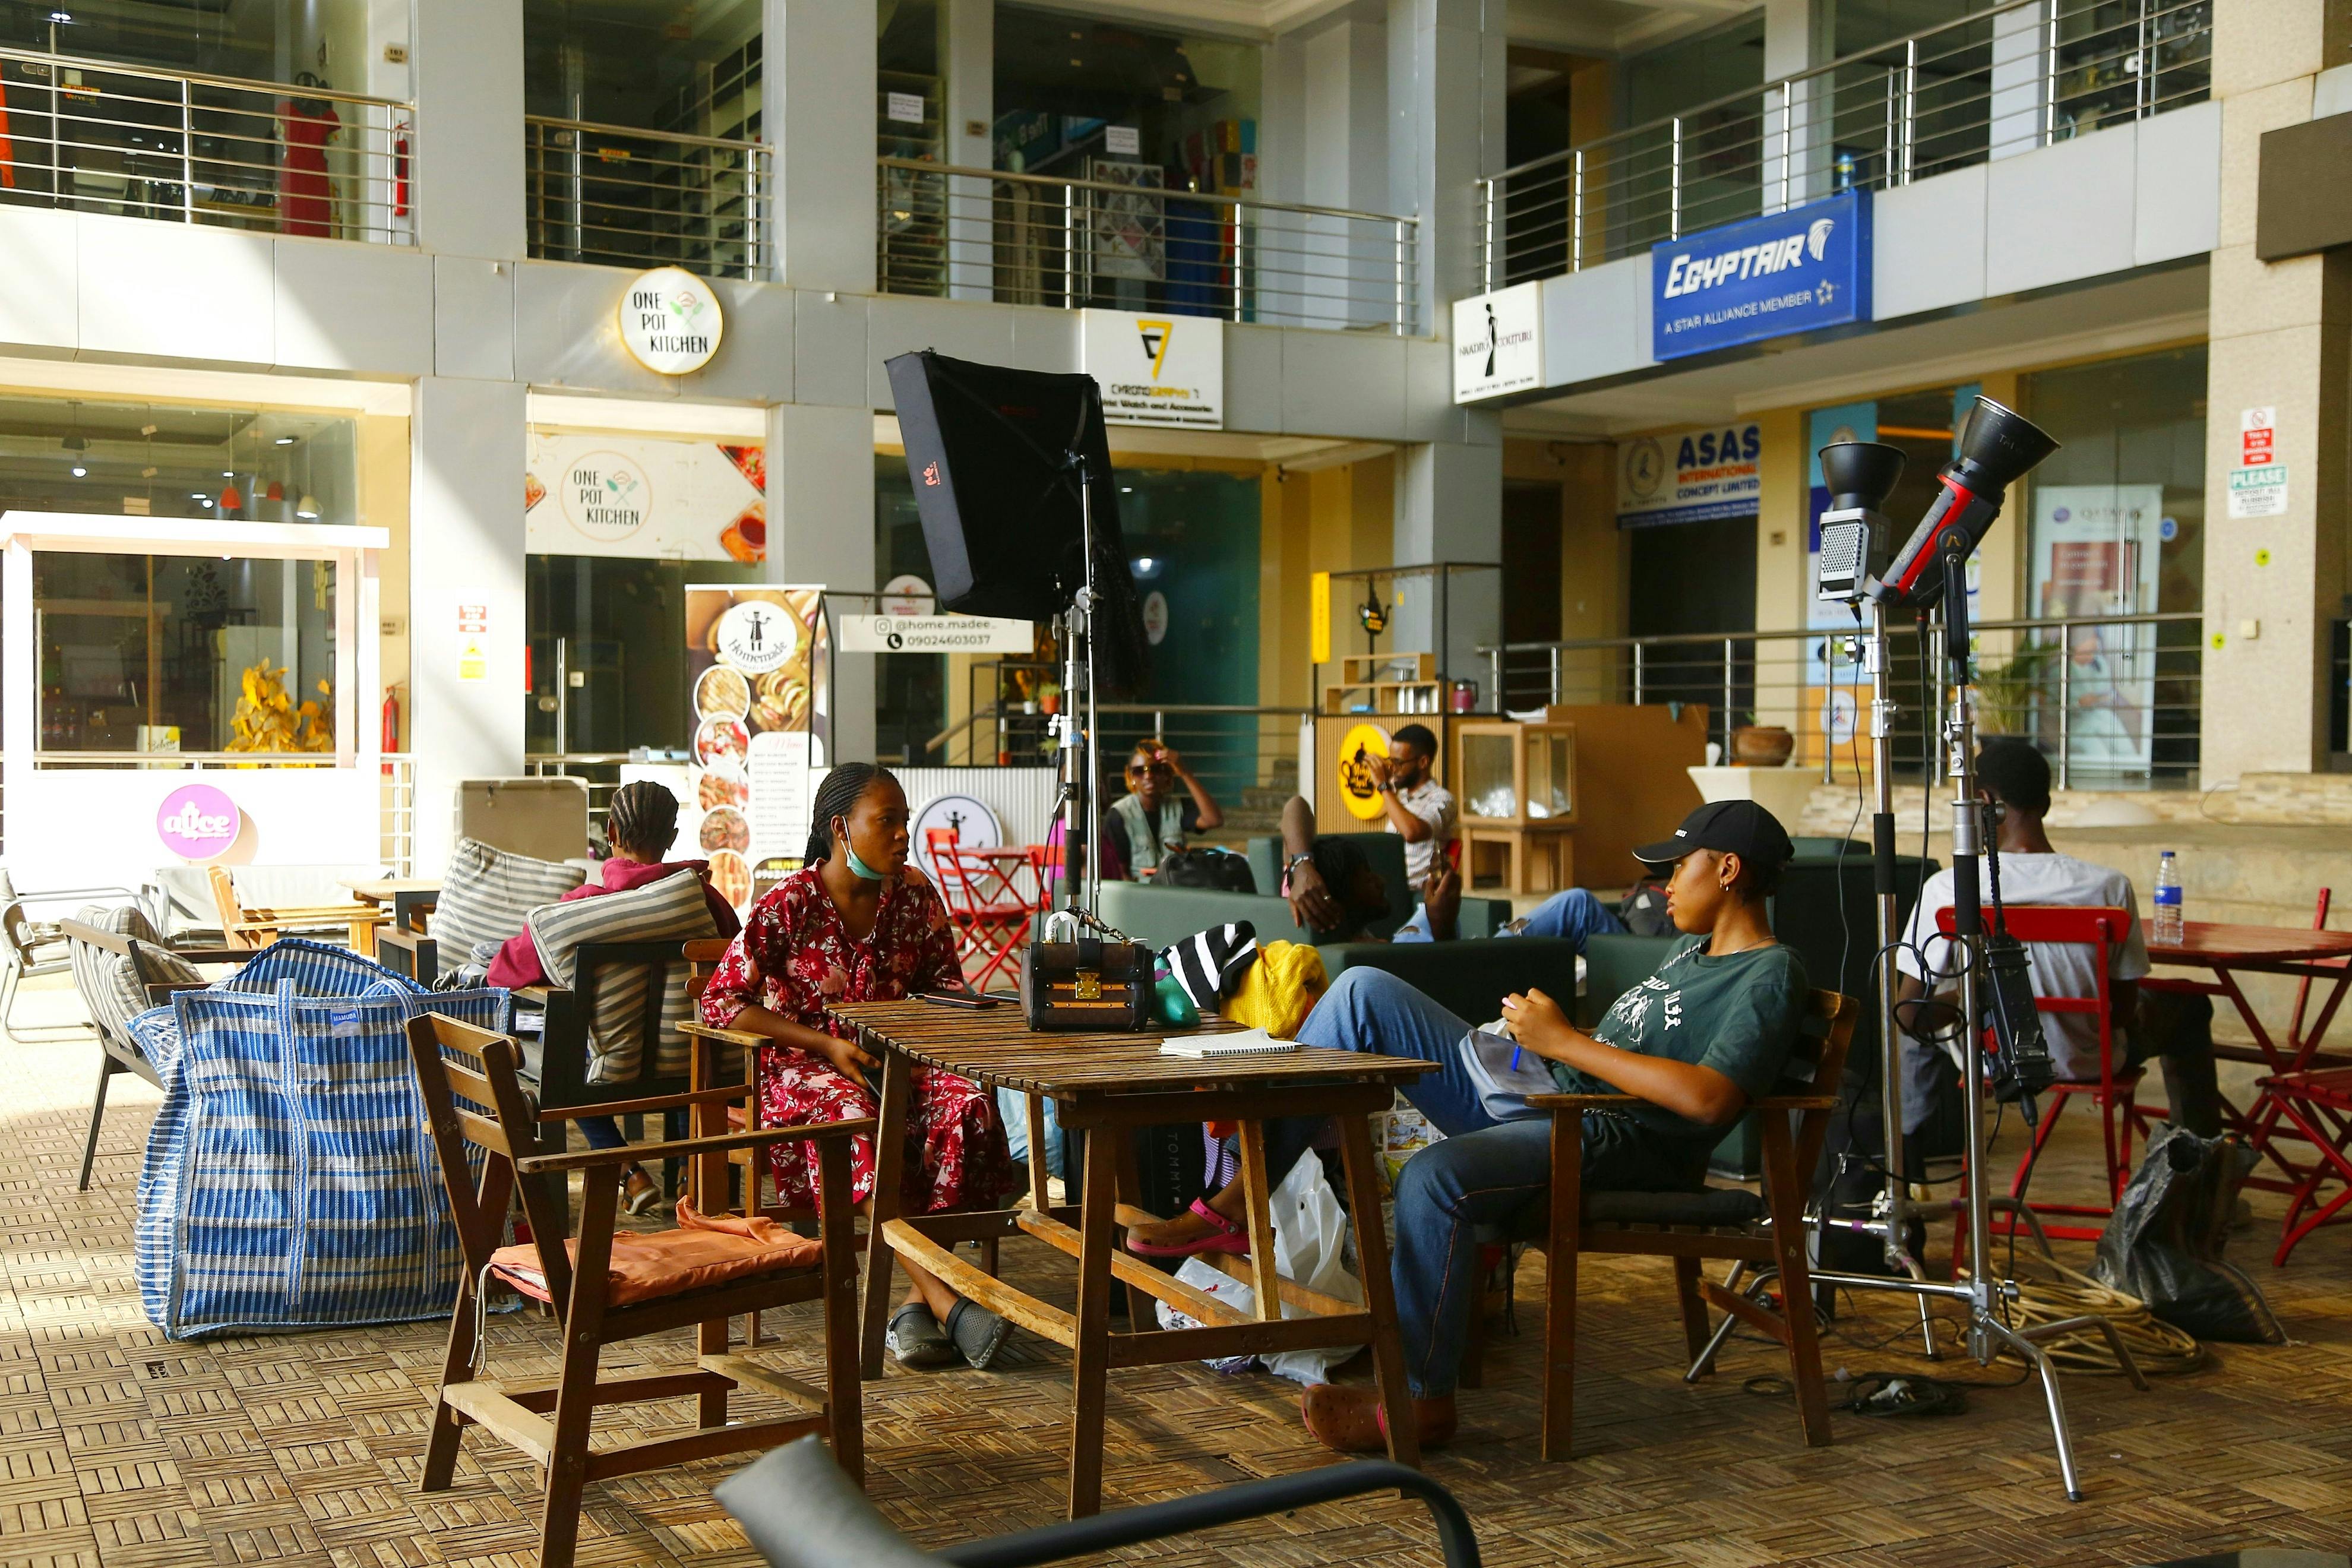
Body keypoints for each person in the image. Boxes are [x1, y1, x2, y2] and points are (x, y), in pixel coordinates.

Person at [1130, 800, 1810, 1453]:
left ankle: (1422, 1403)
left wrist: (1567, 1043)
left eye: (1678, 866)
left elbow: (1713, 1099)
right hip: (1547, 1091)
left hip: (1601, 1136)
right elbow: (1638, 1052)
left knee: (1435, 1177)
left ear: (1727, 870)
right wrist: (1534, 1043)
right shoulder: (1687, 957)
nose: (1661, 884)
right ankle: (1242, 1198)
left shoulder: (1769, 973)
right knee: (1363, 989)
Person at [698, 763, 1021, 1371]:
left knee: (970, 1107)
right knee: (855, 1119)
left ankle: (916, 1300)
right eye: (889, 822)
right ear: (841, 829)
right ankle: (949, 1302)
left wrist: (960, 1020)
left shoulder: (916, 895)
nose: (905, 834)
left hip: (900, 1065)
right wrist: (825, 1046)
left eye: (904, 821)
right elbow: (722, 1002)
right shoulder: (789, 903)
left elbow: (945, 985)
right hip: (805, 1071)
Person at [1894, 738, 2218, 1139]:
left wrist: (1976, 996)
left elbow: (1909, 1016)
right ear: (2045, 805)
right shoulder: (2109, 888)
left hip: (1990, 1061)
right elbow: (2119, 1012)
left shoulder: (1949, 889)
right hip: (2091, 1060)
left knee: (1930, 992)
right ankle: (2198, 1163)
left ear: (1982, 800)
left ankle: (1908, 1151)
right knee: (2188, 1003)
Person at [484, 780, 742, 1216]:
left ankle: (628, 1171)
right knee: (684, 1055)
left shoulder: (583, 906)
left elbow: (504, 970)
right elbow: (734, 957)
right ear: (673, 838)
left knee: (562, 1067)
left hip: (613, 1072)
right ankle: (684, 1174)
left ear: (611, 833)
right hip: (696, 1063)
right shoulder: (706, 901)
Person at [1275, 795, 1459, 943]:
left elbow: (1295, 805)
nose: (1382, 881)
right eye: (1368, 879)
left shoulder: (1301, 892)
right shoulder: (1369, 957)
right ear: (1336, 905)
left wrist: (1302, 865)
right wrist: (1436, 922)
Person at [1104, 739, 1223, 878]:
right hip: (1140, 894)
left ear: (1166, 774)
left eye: (1155, 769)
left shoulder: (1178, 807)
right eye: (1139, 771)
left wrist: (1184, 772)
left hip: (1176, 889)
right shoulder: (1119, 814)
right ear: (1131, 777)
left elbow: (1214, 820)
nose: (1148, 776)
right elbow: (1121, 873)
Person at [1361, 723, 1457, 886]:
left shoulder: (1442, 799)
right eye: (1390, 761)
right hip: (1392, 885)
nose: (1393, 768)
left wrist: (1383, 787)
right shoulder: (1401, 797)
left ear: (1423, 762)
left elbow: (1412, 833)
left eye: (1398, 763)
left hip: (1418, 892)